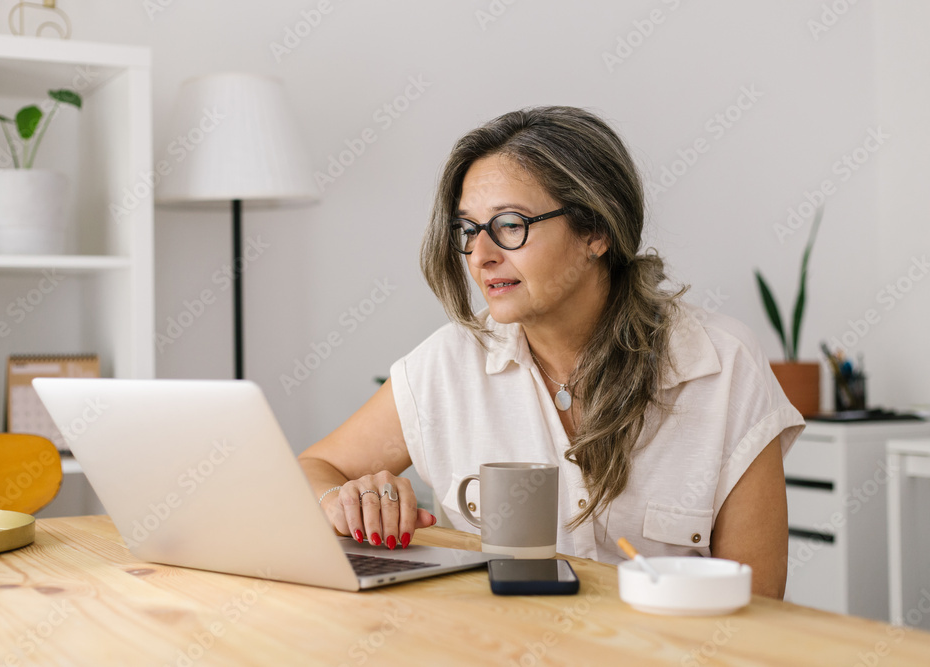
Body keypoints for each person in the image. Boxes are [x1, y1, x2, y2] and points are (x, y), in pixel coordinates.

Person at [298, 106, 804, 598]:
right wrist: (346, 500)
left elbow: (756, 601)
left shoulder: (720, 364)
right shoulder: (447, 365)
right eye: (468, 230)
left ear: (596, 231)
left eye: (510, 225)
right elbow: (314, 466)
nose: (481, 255)